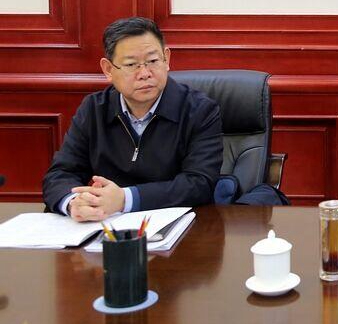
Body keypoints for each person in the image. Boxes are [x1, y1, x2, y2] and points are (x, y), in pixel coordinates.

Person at [42, 17, 223, 221]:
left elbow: (200, 183)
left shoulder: (199, 110)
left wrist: (125, 199)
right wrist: (74, 203)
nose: (144, 73)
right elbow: (60, 174)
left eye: (153, 61)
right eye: (131, 64)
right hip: (106, 225)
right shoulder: (94, 109)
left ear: (166, 59)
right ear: (108, 70)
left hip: (178, 226)